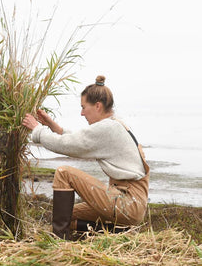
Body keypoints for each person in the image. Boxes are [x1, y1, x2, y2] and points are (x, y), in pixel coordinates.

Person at [22, 75, 150, 240]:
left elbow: (68, 145)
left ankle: (58, 241)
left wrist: (37, 129)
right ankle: (118, 232)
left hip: (127, 202)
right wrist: (52, 126)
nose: (82, 113)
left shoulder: (108, 128)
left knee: (64, 172)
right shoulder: (114, 124)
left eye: (84, 107)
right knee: (70, 215)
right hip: (129, 202)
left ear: (97, 106)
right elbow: (78, 139)